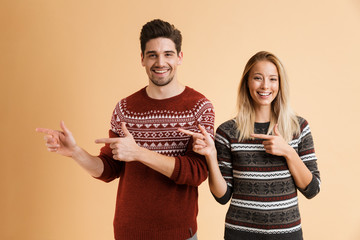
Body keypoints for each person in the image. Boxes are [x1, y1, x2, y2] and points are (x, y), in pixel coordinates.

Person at [36, 19, 215, 240]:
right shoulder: (125, 109)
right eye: (152, 55)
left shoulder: (199, 107)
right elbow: (110, 169)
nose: (160, 62)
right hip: (128, 232)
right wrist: (75, 152)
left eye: (168, 54)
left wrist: (139, 153)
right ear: (142, 59)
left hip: (179, 234)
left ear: (179, 57)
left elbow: (197, 173)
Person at [179, 51, 320, 240]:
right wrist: (211, 156)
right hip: (240, 234)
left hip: (287, 234)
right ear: (247, 82)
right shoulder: (227, 131)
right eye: (257, 78)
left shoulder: (298, 127)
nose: (265, 86)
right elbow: (222, 196)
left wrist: (288, 152)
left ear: (280, 84)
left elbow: (312, 189)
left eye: (273, 79)